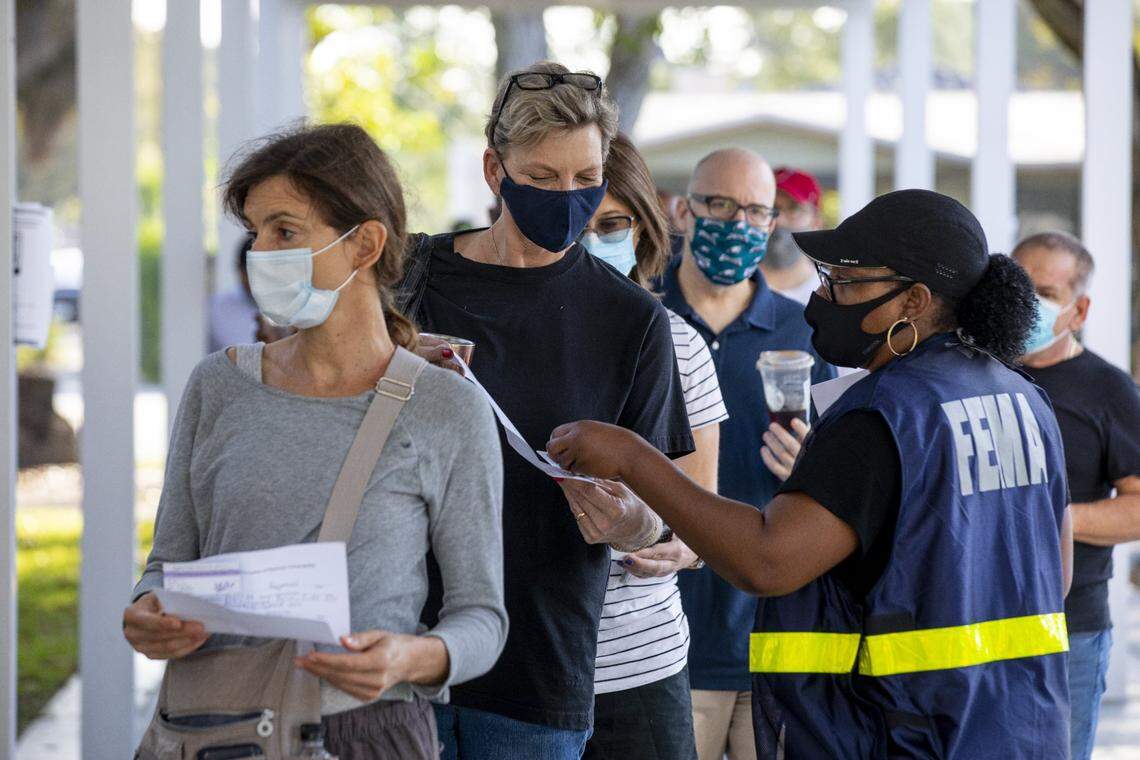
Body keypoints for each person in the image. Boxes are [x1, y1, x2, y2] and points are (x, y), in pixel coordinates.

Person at [547, 189, 1075, 759]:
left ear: (914, 300)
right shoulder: (1023, 397)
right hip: (1023, 727)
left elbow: (767, 559)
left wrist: (631, 458)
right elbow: (1057, 571)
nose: (822, 297)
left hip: (907, 735)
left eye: (845, 283)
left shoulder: (883, 416)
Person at [122, 124, 508, 759]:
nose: (260, 253)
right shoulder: (217, 386)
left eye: (285, 231)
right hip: (212, 728)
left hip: (368, 734)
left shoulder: (446, 407)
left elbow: (482, 619)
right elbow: (166, 566)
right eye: (255, 232)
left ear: (365, 245)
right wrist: (149, 613)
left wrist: (413, 658)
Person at [402, 62, 694, 759]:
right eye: (541, 178)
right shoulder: (409, 280)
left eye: (585, 179)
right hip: (400, 646)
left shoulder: (631, 321)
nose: (569, 199)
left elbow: (658, 512)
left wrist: (629, 521)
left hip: (538, 669)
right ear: (493, 170)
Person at [660, 147, 833, 760]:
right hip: (665, 639)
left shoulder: (807, 330)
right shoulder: (639, 318)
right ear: (684, 210)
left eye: (757, 211)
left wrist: (814, 467)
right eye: (720, 205)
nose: (738, 225)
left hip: (775, 637)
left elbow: (847, 480)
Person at [577, 132, 728, 760]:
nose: (589, 241)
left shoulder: (679, 346)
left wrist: (664, 541)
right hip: (513, 665)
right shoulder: (500, 339)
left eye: (611, 223)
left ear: (644, 226)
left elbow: (702, 522)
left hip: (636, 661)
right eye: (572, 223)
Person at [1013, 231, 1140, 760]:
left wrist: (1054, 519)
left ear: (1079, 308)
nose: (1025, 305)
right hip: (967, 619)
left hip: (1071, 631)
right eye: (1017, 288)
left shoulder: (1109, 390)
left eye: (1043, 293)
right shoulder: (972, 373)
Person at [760, 167, 823, 305]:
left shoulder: (834, 296)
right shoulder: (732, 291)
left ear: (816, 222)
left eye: (794, 208)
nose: (778, 220)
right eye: (770, 208)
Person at [208, 234, 260, 352]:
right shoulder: (215, 308)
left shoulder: (292, 308)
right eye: (251, 274)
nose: (257, 283)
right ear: (239, 269)